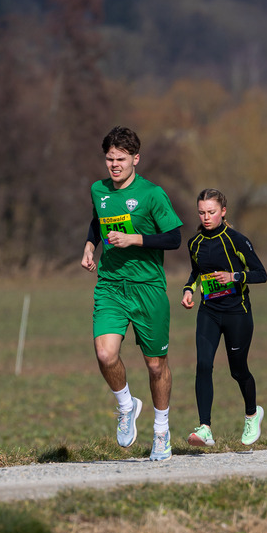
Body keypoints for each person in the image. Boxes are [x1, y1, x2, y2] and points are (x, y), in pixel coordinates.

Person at [81, 126, 182, 461]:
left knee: (155, 367)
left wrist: (135, 239)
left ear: (135, 159)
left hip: (148, 288)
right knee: (105, 354)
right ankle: (126, 405)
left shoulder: (153, 194)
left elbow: (174, 238)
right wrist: (90, 245)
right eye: (109, 158)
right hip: (110, 285)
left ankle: (161, 432)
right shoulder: (98, 189)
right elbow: (99, 220)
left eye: (121, 159)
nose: (114, 165)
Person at [181, 188, 267, 447]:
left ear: (223, 211)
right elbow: (196, 272)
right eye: (202, 212)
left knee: (238, 370)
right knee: (203, 365)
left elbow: (261, 274)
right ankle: (205, 428)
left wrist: (234, 277)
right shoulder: (194, 243)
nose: (206, 217)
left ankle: (253, 414)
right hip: (208, 312)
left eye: (211, 212)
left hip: (237, 312)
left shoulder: (237, 240)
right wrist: (188, 289)